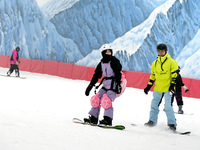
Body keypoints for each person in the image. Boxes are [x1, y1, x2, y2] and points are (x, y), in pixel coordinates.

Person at [84, 44, 122, 126]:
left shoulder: (114, 61)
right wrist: (90, 86)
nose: (108, 53)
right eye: (106, 52)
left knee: (106, 101)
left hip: (113, 85)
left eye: (110, 51)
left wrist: (118, 84)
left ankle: (108, 119)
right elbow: (96, 75)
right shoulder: (101, 63)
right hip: (105, 85)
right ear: (103, 53)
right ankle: (93, 118)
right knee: (96, 99)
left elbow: (118, 72)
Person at [143, 43, 179, 131]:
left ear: (166, 51)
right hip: (158, 87)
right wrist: (148, 86)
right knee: (154, 104)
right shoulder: (155, 63)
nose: (161, 52)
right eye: (159, 51)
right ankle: (152, 121)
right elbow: (153, 75)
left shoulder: (172, 62)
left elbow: (175, 74)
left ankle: (172, 124)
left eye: (162, 51)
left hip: (168, 88)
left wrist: (172, 85)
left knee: (168, 106)